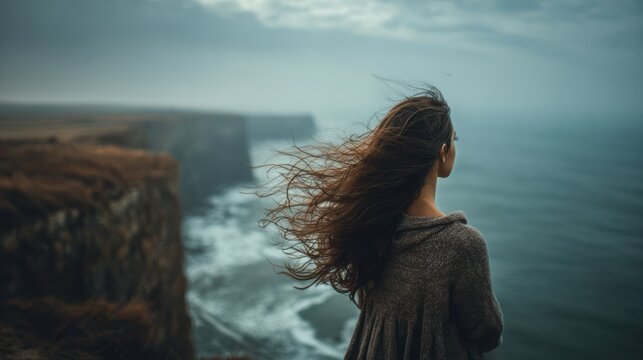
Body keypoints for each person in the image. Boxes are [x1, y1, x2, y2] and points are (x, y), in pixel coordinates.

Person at [254, 85, 504, 359]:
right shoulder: (463, 245)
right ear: (443, 152)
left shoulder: (373, 224)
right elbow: (487, 330)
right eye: (455, 140)